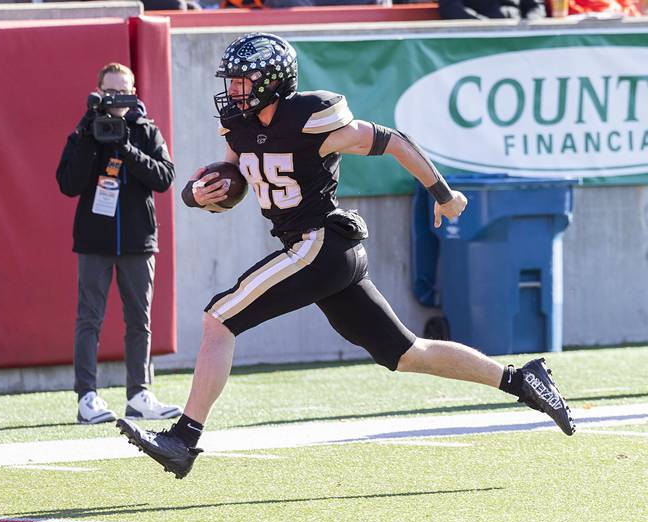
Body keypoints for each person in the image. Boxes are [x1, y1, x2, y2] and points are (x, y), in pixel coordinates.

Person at [116, 33, 575, 478]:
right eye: (231, 81)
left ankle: (184, 438)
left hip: (320, 245)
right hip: (320, 254)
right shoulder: (239, 126)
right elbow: (231, 182)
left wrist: (443, 193)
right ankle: (521, 380)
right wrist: (198, 196)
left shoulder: (311, 119)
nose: (233, 91)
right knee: (407, 354)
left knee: (220, 318)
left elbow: (393, 140)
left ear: (272, 81)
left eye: (242, 81)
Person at [56, 62, 182, 424]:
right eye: (111, 92)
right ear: (99, 92)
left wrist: (126, 148)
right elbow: (68, 183)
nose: (118, 98)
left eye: (124, 90)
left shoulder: (146, 130)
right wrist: (89, 138)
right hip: (94, 240)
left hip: (138, 240)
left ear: (134, 91)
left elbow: (164, 178)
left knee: (139, 320)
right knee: (89, 319)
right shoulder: (85, 131)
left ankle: (140, 393)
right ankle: (87, 397)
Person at [438, 0, 546, 18]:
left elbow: (536, 7)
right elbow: (450, 7)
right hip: (476, 42)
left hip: (517, 39)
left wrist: (526, 29)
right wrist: (485, 26)